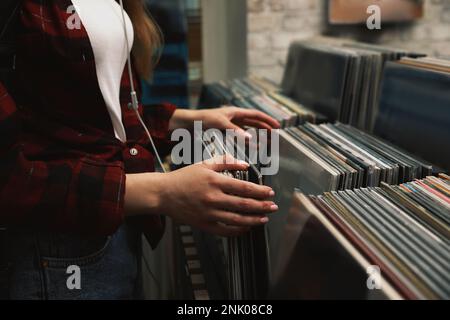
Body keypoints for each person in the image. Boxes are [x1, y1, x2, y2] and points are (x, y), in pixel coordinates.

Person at [0, 0, 279, 299]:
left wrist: (186, 120)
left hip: (119, 231)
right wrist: (163, 191)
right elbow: (10, 180)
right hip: (54, 252)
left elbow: (97, 119)